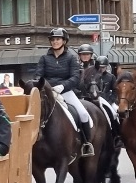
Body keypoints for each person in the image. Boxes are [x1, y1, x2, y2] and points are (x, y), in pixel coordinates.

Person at [37, 28, 94, 157]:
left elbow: (75, 77)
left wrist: (62, 86)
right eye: (53, 40)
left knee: (84, 114)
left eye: (57, 39)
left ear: (64, 41)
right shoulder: (44, 58)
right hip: (48, 92)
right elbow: (38, 76)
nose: (55, 42)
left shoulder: (71, 58)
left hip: (65, 92)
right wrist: (46, 87)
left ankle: (86, 143)